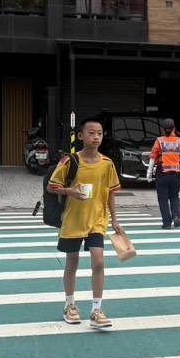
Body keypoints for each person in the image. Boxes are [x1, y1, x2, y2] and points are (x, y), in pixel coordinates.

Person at [49, 117, 124, 328]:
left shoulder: (107, 164)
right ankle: (70, 305)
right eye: (91, 133)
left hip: (97, 220)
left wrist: (115, 219)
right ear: (81, 136)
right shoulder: (70, 161)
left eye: (99, 133)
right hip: (73, 220)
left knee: (98, 262)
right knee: (72, 263)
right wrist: (69, 191)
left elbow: (110, 193)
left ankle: (96, 310)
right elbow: (52, 186)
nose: (96, 137)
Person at [146, 118, 180, 229]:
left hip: (162, 173)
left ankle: (166, 223)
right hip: (176, 173)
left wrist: (149, 172)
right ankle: (176, 216)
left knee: (163, 198)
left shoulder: (159, 141)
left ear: (163, 129)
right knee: (174, 196)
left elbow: (152, 157)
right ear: (174, 128)